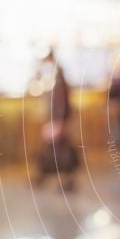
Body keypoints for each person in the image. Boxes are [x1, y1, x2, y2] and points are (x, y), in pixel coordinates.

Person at [36, 51, 77, 191]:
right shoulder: (57, 79)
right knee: (56, 149)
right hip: (57, 121)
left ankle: (63, 180)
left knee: (59, 151)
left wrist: (59, 121)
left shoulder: (59, 82)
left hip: (58, 121)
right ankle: (48, 177)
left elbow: (62, 103)